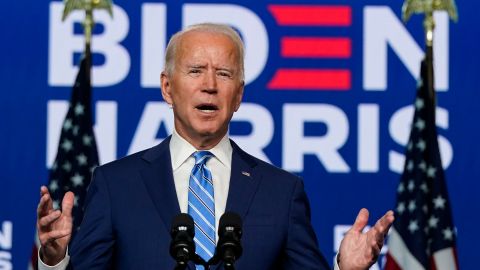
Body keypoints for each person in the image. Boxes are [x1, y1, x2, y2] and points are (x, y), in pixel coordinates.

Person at [36, 23, 394, 270]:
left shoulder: (282, 193)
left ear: (238, 95)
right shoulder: (116, 185)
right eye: (195, 71)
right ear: (167, 88)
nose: (210, 85)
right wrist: (53, 260)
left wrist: (345, 268)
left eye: (224, 74)